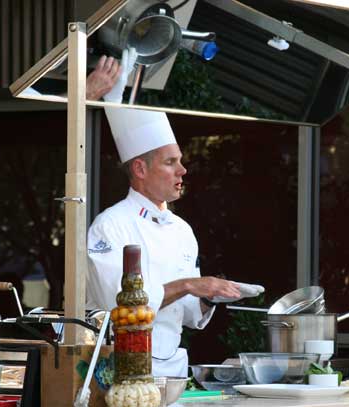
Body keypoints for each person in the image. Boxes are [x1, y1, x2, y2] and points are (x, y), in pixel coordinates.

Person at [85, 50, 262, 377]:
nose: (182, 170)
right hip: (119, 370)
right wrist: (191, 284)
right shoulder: (109, 226)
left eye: (179, 160)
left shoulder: (182, 230)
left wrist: (213, 295)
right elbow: (123, 306)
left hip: (175, 371)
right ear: (140, 168)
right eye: (170, 162)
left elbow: (190, 315)